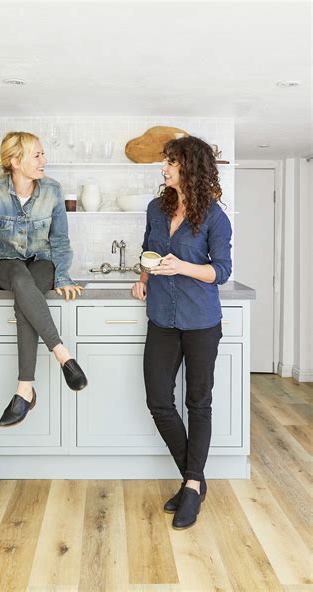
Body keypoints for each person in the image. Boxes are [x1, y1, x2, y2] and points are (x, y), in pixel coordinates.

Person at [132, 135, 232, 530]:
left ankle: (190, 484)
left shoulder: (214, 217)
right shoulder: (157, 208)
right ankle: (196, 480)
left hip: (201, 321)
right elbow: (147, 249)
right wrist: (143, 276)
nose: (164, 168)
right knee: (158, 400)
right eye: (164, 162)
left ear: (188, 166)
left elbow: (220, 271)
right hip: (161, 317)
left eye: (170, 162)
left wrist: (183, 267)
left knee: (198, 403)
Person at [0, 131, 88, 428]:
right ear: (15, 161)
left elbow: (60, 239)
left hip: (42, 262)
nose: (43, 160)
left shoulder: (52, 191)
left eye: (42, 154)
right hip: (5, 264)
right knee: (21, 281)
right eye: (37, 155)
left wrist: (61, 276)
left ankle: (25, 389)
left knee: (26, 297)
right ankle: (63, 356)